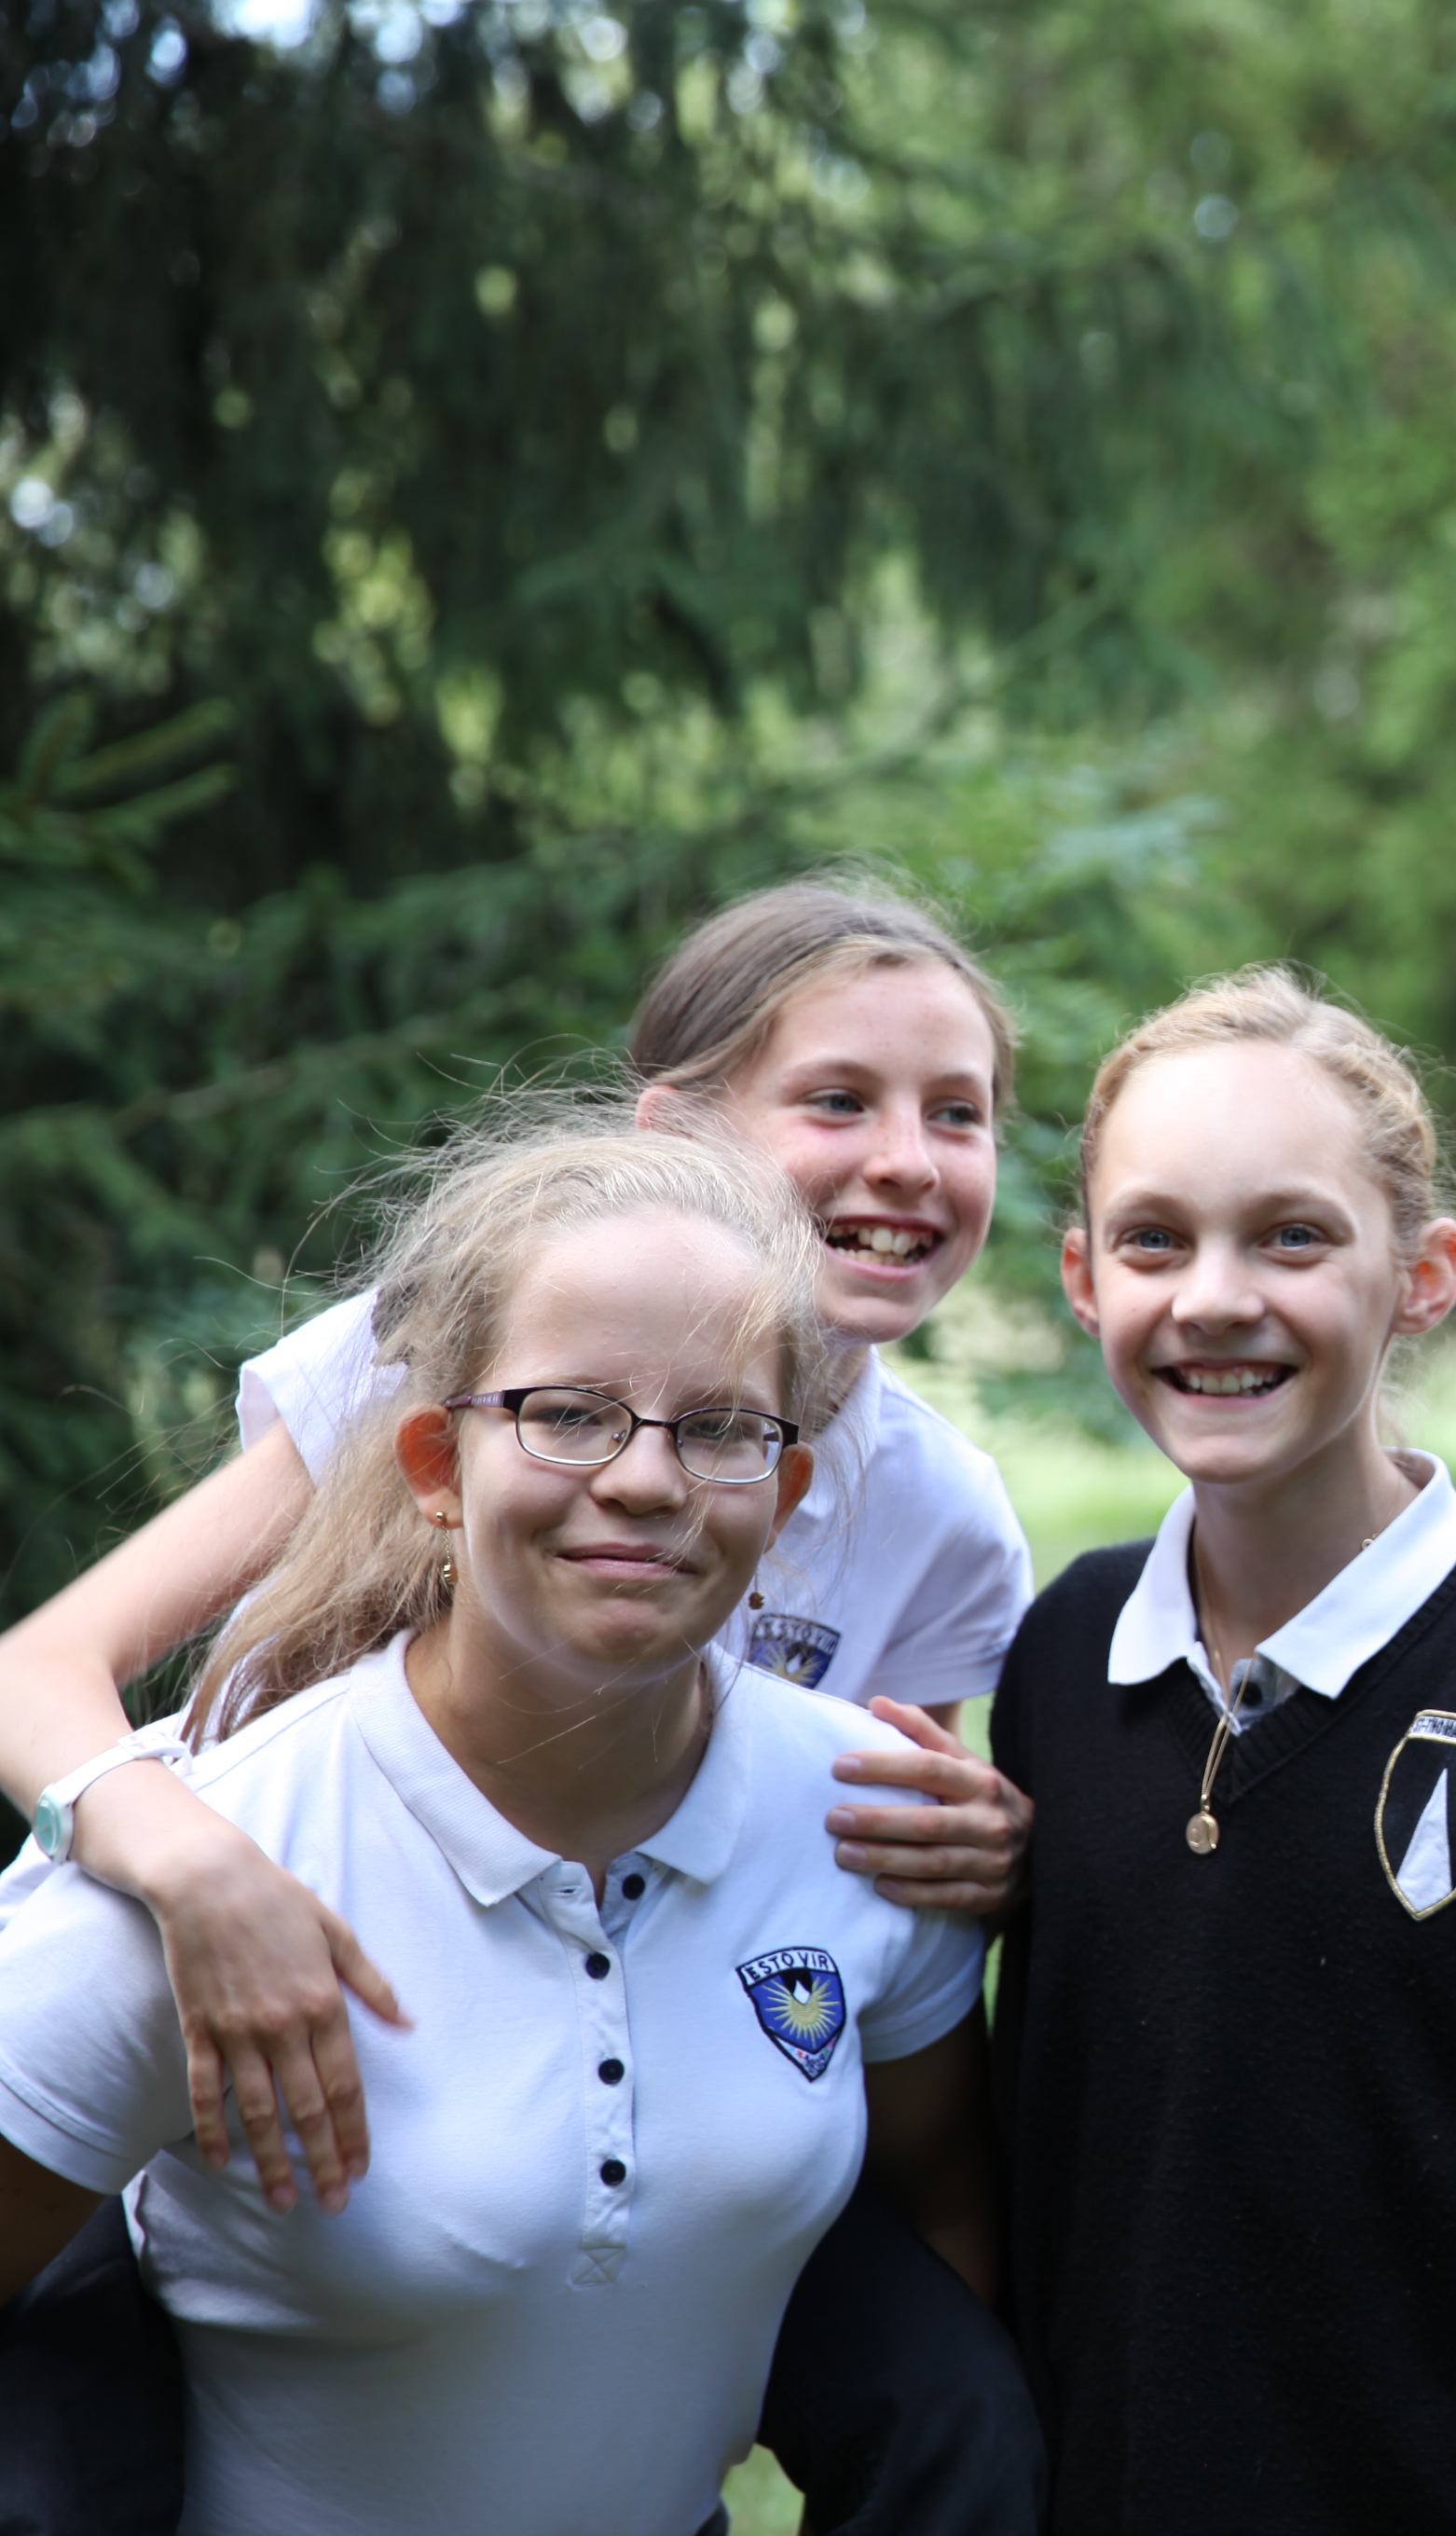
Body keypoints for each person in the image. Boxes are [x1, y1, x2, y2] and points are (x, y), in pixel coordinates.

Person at [0, 881, 1046, 2532]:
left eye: (959, 1113)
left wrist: (974, 1840)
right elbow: (33, 1668)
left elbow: (847, 1893)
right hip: (330, 2005)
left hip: (667, 2032)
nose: (907, 1160)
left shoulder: (941, 1508)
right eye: (839, 1100)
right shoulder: (432, 1346)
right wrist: (180, 1859)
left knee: (960, 2419)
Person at [986, 968, 1456, 2532]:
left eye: (1292, 1236)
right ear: (1081, 1276)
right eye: (1154, 1240)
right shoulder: (1065, 1660)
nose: (1213, 1298)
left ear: (1426, 1273)